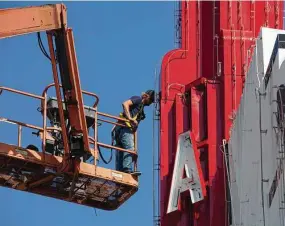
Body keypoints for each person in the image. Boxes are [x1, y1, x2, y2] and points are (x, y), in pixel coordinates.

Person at [112, 90, 155, 176]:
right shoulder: (138, 99)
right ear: (146, 96)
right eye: (151, 100)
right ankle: (127, 169)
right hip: (125, 128)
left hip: (120, 129)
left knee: (122, 150)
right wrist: (130, 118)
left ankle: (120, 173)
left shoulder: (141, 108)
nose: (150, 103)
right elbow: (125, 103)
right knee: (129, 147)